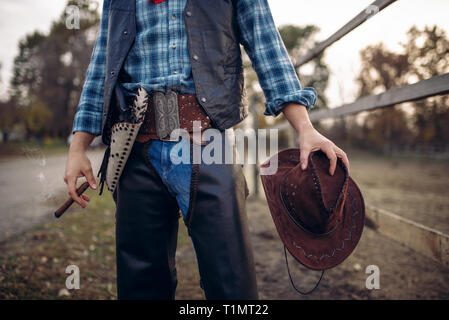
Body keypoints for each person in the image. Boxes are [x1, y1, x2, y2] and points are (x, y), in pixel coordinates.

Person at [64, 0, 350, 300]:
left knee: (231, 281)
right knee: (140, 284)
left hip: (207, 145)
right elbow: (101, 66)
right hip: (135, 148)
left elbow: (266, 45)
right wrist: (78, 147)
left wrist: (304, 127)